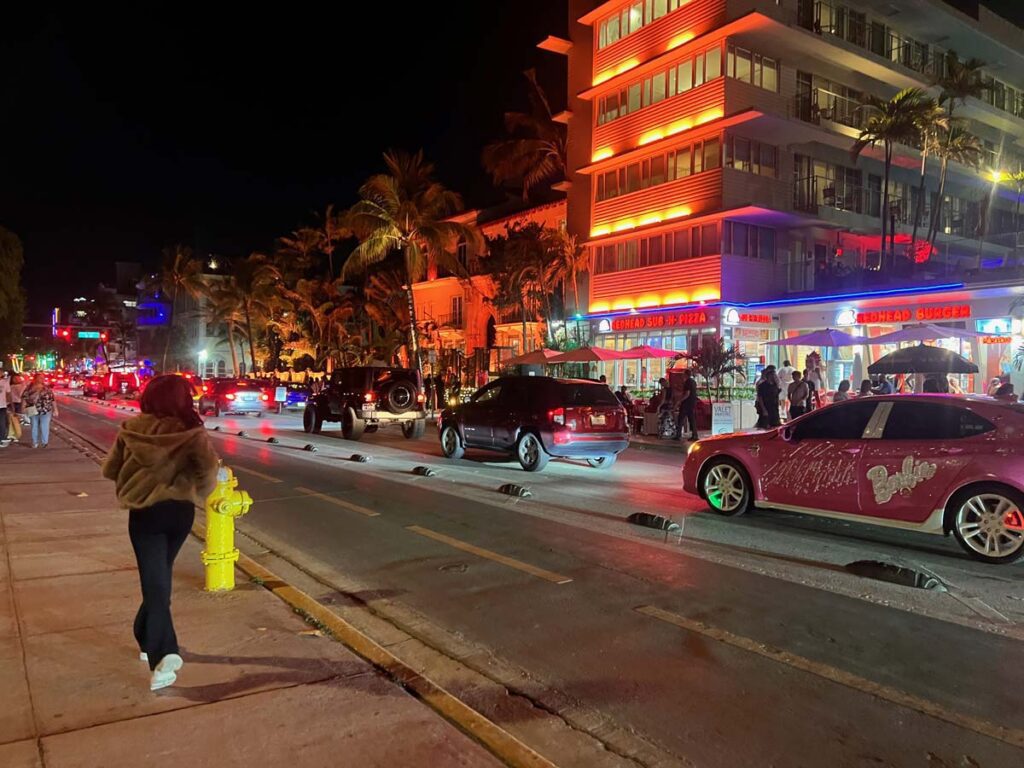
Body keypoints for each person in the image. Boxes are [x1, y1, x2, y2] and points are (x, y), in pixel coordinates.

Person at [101, 375, 219, 692]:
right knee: (159, 578)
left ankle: (163, 653)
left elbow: (109, 469)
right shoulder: (191, 432)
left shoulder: (131, 429)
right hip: (179, 512)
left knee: (155, 581)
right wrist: (201, 490)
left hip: (145, 513)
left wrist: (135, 480)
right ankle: (148, 639)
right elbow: (208, 471)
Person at [22, 374, 57, 448]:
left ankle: (45, 442)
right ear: (35, 379)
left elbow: (52, 399)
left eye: (42, 378)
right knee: (34, 426)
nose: (42, 379)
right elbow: (24, 398)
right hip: (33, 409)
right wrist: (23, 408)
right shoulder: (29, 388)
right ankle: (35, 442)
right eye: (40, 378)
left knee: (45, 426)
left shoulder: (46, 388)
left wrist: (55, 409)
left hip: (46, 410)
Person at [672, 369, 699, 441]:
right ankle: (695, 435)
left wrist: (679, 401)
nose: (682, 375)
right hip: (692, 402)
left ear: (685, 375)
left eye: (683, 374)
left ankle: (678, 435)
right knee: (692, 419)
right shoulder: (693, 382)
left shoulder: (687, 382)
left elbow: (687, 394)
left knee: (681, 418)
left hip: (687, 403)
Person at [0, 370, 10, 446]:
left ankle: (2, 437)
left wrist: (9, 403)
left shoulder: (5, 382)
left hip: (2, 405)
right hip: (3, 405)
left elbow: (8, 393)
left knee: (2, 422)